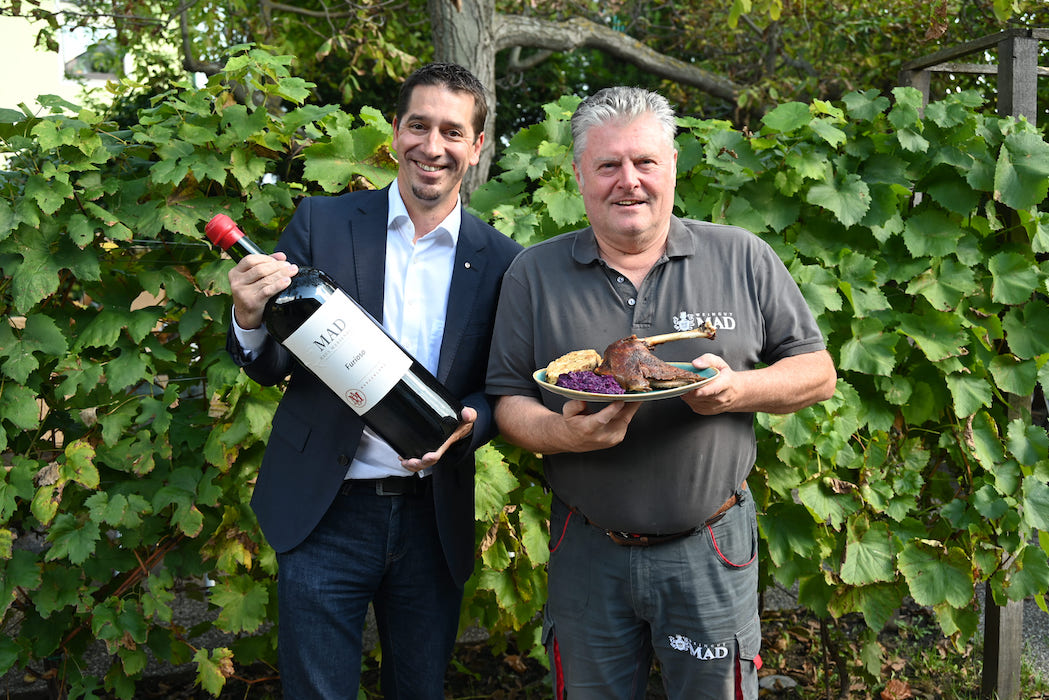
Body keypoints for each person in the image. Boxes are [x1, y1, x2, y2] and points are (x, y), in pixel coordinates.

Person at [485, 86, 837, 699]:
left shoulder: (742, 257)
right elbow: (509, 402)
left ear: (672, 165)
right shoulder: (533, 274)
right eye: (608, 164)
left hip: (710, 548)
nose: (629, 181)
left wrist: (737, 390)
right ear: (578, 175)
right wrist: (563, 433)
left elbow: (818, 371)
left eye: (645, 161)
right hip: (588, 550)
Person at [224, 62, 523, 698]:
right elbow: (273, 363)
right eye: (418, 125)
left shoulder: (502, 261)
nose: (432, 146)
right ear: (394, 133)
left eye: (451, 131)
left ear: (475, 147)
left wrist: (473, 424)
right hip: (323, 513)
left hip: (431, 518)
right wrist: (250, 320)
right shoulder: (322, 223)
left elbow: (498, 387)